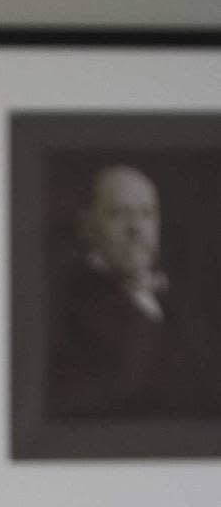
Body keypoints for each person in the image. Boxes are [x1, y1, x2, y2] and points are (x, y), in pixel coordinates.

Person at [47, 163, 217, 418]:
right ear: (89, 225)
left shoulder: (177, 296)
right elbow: (115, 394)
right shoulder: (67, 299)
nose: (137, 228)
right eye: (119, 214)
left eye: (147, 214)